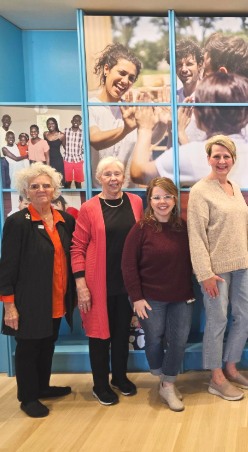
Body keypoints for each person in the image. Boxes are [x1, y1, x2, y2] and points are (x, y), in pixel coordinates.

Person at [0, 163, 76, 417]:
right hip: (28, 302)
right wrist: (9, 305)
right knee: (28, 349)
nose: (41, 190)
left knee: (47, 345)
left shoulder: (65, 220)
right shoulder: (17, 222)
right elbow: (7, 268)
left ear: (54, 189)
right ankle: (28, 397)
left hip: (56, 298)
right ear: (25, 191)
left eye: (46, 185)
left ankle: (42, 387)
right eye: (35, 186)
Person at [187, 135, 248, 401]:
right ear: (208, 159)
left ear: (233, 160)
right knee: (217, 321)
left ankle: (231, 367)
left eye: (226, 156)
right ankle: (216, 378)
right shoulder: (200, 191)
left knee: (247, 314)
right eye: (216, 155)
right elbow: (196, 235)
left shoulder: (235, 188)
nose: (221, 160)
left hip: (240, 266)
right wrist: (204, 273)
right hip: (215, 271)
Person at [71, 156, 144, 406]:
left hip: (127, 283)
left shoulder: (135, 202)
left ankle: (120, 378)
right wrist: (81, 286)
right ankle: (100, 385)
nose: (113, 178)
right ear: (98, 178)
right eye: (107, 174)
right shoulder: (89, 208)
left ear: (123, 177)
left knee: (122, 333)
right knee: (99, 336)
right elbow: (77, 248)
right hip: (97, 284)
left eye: (117, 174)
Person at [122, 177, 194, 412]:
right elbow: (128, 265)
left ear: (175, 199)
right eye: (156, 197)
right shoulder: (140, 229)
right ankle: (162, 379)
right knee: (153, 339)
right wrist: (136, 297)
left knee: (179, 341)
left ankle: (168, 383)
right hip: (150, 298)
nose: (162, 201)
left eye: (167, 196)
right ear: (149, 201)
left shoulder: (183, 227)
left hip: (181, 296)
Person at [130, 72, 248, 188]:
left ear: (202, 114)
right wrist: (177, 131)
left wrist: (145, 128)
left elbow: (137, 173)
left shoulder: (193, 156)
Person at [88, 43, 170, 188]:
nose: (125, 81)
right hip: (98, 194)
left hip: (131, 194)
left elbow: (151, 139)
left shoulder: (133, 106)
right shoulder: (90, 107)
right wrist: (126, 128)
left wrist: (163, 123)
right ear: (106, 69)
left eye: (131, 78)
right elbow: (95, 140)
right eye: (122, 73)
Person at [164, 38, 207, 143]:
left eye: (189, 64)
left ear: (200, 65)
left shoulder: (210, 97)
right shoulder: (174, 98)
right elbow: (170, 141)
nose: (184, 69)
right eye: (179, 64)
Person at [63, 115, 84, 188]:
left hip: (78, 160)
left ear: (80, 123)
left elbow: (85, 145)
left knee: (78, 183)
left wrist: (83, 150)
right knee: (68, 182)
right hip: (67, 160)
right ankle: (67, 199)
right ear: (71, 121)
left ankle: (83, 199)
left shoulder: (83, 133)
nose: (76, 122)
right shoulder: (65, 131)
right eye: (74, 120)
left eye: (78, 120)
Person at [44, 118, 66, 185]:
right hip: (48, 160)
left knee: (59, 181)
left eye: (52, 123)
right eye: (49, 123)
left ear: (56, 124)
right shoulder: (45, 134)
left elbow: (65, 147)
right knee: (49, 180)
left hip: (58, 161)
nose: (50, 125)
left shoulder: (61, 135)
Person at [1, 114, 14, 188]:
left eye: (8, 120)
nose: (7, 121)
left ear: (10, 122)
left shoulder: (12, 131)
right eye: (5, 119)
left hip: (11, 159)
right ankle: (2, 198)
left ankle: (9, 197)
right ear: (2, 121)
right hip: (2, 158)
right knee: (2, 179)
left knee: (9, 178)